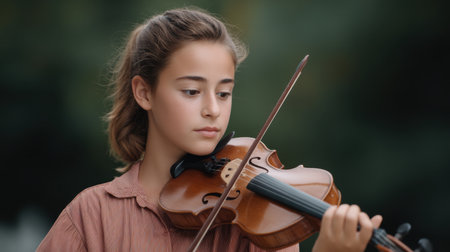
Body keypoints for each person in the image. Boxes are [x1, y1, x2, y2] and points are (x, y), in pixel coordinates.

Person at [36, 7, 382, 252]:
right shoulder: (92, 216)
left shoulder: (258, 222)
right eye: (191, 91)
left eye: (224, 92)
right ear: (144, 92)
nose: (213, 110)